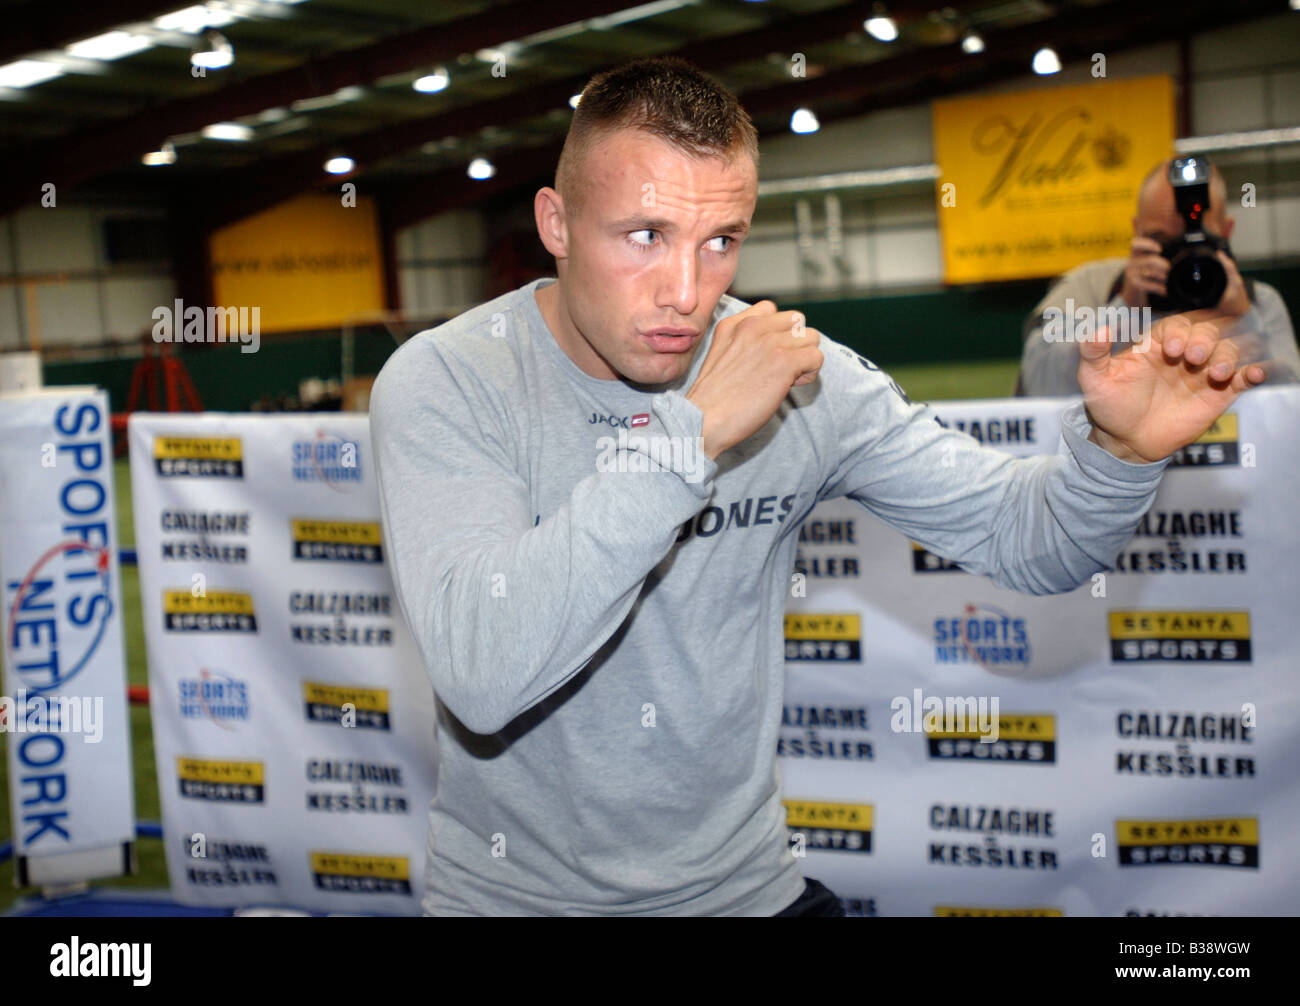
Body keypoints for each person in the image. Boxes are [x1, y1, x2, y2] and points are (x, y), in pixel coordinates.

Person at [368, 56, 1269, 916]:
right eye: (645, 236)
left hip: (745, 891)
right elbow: (484, 674)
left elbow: (1030, 541)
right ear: (556, 224)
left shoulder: (800, 379)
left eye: (721, 241)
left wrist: (1119, 455)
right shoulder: (450, 381)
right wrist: (691, 434)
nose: (686, 291)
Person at [1016, 157, 1300, 396]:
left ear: (1226, 233)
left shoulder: (1256, 301)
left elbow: (1289, 405)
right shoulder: (1091, 287)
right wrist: (1125, 308)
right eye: (1161, 241)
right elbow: (1041, 383)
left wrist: (1243, 320)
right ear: (1137, 230)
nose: (1181, 260)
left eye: (1197, 242)